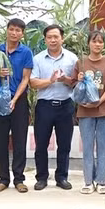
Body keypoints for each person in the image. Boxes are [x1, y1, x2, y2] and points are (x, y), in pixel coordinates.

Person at [0, 18, 34, 194]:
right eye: (12, 29)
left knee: (19, 139)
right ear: (6, 30)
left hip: (18, 100)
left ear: (22, 34)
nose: (14, 33)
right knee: (0, 140)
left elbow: (25, 79)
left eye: (18, 30)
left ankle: (19, 179)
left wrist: (14, 100)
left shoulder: (26, 52)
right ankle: (3, 179)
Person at [30, 24, 78, 191]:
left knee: (64, 145)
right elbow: (33, 82)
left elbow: (76, 82)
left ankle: (62, 177)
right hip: (45, 106)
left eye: (56, 37)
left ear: (62, 38)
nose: (52, 40)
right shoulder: (37, 59)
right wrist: (50, 81)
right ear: (45, 40)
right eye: (49, 37)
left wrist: (65, 79)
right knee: (41, 144)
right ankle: (41, 177)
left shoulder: (72, 58)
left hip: (65, 106)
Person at [72, 30, 105, 194]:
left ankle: (101, 181)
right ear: (88, 43)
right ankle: (88, 181)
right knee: (88, 147)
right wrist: (78, 80)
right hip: (84, 111)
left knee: (103, 146)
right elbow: (75, 88)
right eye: (94, 41)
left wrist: (100, 101)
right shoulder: (81, 62)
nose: (97, 44)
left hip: (104, 110)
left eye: (100, 42)